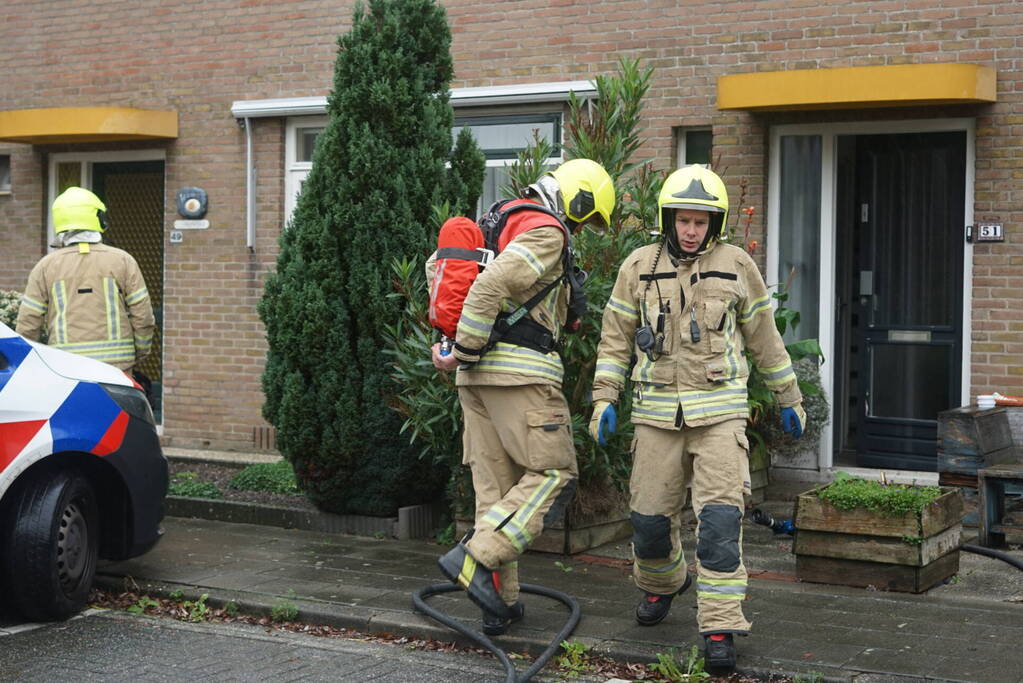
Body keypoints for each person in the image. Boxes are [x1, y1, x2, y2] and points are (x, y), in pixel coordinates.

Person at [587, 165, 805, 671]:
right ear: (669, 219)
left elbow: (764, 338)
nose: (691, 229)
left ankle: (720, 626)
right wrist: (603, 399)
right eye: (683, 220)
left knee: (721, 526)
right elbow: (615, 339)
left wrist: (788, 396)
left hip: (721, 417)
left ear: (715, 223)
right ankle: (665, 583)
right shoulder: (638, 266)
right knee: (647, 526)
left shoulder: (737, 266)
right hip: (656, 417)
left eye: (701, 221)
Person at [430, 159, 615, 636]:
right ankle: (475, 556)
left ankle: (500, 605)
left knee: (496, 490)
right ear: (575, 198)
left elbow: (458, 279)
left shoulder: (500, 219)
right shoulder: (547, 231)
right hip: (522, 376)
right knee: (554, 472)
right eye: (584, 218)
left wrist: (458, 352)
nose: (580, 229)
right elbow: (492, 285)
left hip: (476, 382)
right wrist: (468, 346)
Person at [16, 187, 155, 373]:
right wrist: (140, 351)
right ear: (99, 219)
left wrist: (28, 364)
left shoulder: (46, 267)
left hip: (65, 369)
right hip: (116, 369)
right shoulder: (123, 260)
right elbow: (143, 316)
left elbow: (28, 323)